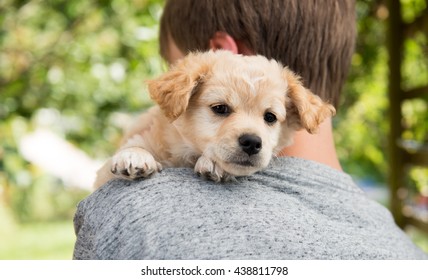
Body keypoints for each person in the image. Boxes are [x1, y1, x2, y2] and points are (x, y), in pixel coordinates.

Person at [73, 0, 428, 259]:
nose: (252, 134)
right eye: (221, 109)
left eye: (270, 117)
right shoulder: (408, 253)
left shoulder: (130, 214)